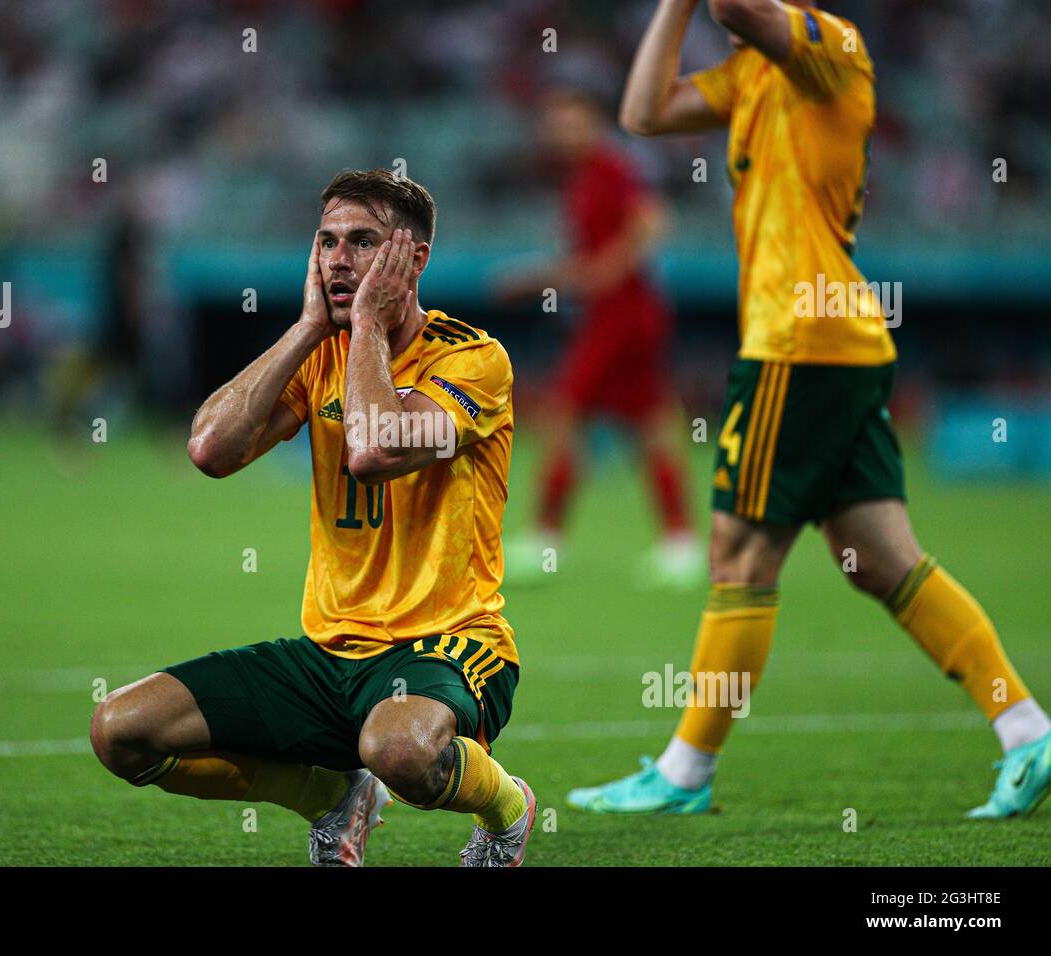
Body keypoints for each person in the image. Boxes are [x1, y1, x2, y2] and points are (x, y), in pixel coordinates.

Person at [567, 0, 1051, 818]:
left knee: (739, 553)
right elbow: (643, 111)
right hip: (836, 346)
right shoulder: (750, 72)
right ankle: (1027, 730)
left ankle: (685, 772)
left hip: (801, 341)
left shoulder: (832, 47)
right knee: (885, 558)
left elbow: (738, 10)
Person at [90, 169, 537, 865]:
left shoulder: (474, 361)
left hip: (449, 643)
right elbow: (210, 449)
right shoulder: (321, 352)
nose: (337, 258)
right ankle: (330, 797)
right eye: (326, 242)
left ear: (412, 259)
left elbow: (374, 447)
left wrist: (364, 325)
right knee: (120, 731)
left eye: (362, 242)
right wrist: (305, 327)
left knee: (396, 747)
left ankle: (507, 807)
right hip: (328, 653)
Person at [502, 87, 701, 590]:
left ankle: (546, 537)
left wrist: (604, 272)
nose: (564, 134)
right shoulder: (584, 177)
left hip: (621, 317)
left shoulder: (612, 169)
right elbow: (591, 258)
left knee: (564, 413)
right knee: (649, 422)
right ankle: (681, 542)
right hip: (622, 316)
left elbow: (654, 223)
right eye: (557, 125)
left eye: (573, 123)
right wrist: (550, 277)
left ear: (594, 125)